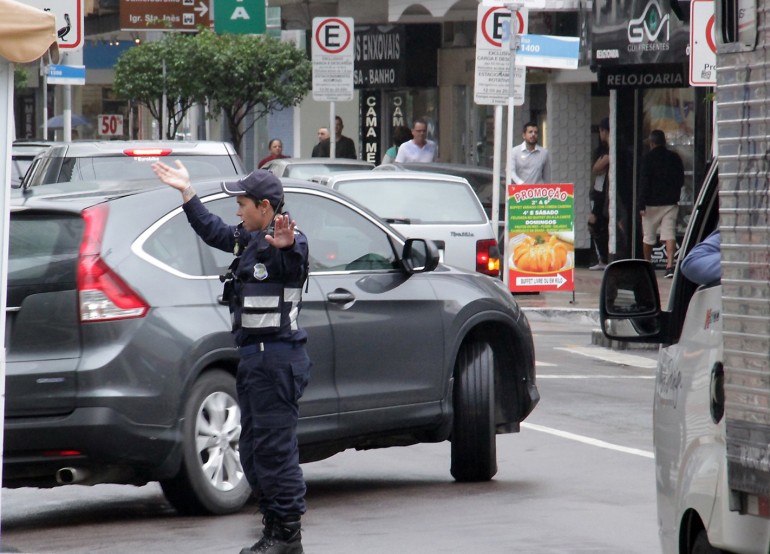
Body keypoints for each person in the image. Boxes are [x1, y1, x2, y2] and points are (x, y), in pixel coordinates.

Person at [151, 160, 311, 554]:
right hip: (254, 361)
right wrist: (187, 193)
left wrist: (288, 247)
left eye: (243, 203)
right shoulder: (249, 238)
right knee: (254, 455)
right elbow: (213, 230)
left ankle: (288, 537)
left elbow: (295, 259)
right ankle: (274, 529)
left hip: (277, 360)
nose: (237, 210)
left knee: (276, 453)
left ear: (265, 207)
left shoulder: (287, 240)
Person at [638, 129, 685, 278]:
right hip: (670, 203)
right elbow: (681, 179)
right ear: (664, 142)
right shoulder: (674, 158)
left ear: (652, 143)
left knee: (648, 236)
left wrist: (641, 204)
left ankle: (647, 264)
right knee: (669, 233)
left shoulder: (647, 159)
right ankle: (670, 265)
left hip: (651, 204)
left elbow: (644, 182)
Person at [588, 118, 610, 271]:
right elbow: (596, 168)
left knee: (601, 223)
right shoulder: (602, 151)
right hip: (599, 192)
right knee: (594, 223)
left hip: (607, 194)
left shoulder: (611, 150)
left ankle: (606, 257)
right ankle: (602, 257)